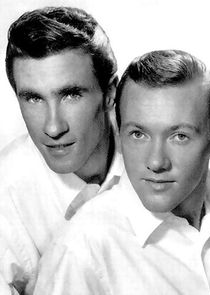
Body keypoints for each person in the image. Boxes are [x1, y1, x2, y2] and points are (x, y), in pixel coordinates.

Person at [34, 50, 210, 295]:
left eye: (179, 136)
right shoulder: (81, 250)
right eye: (138, 135)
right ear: (119, 133)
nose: (156, 162)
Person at [0, 6, 124, 293]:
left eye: (70, 94)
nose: (53, 127)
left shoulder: (159, 157)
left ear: (110, 95)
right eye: (33, 98)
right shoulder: (5, 195)